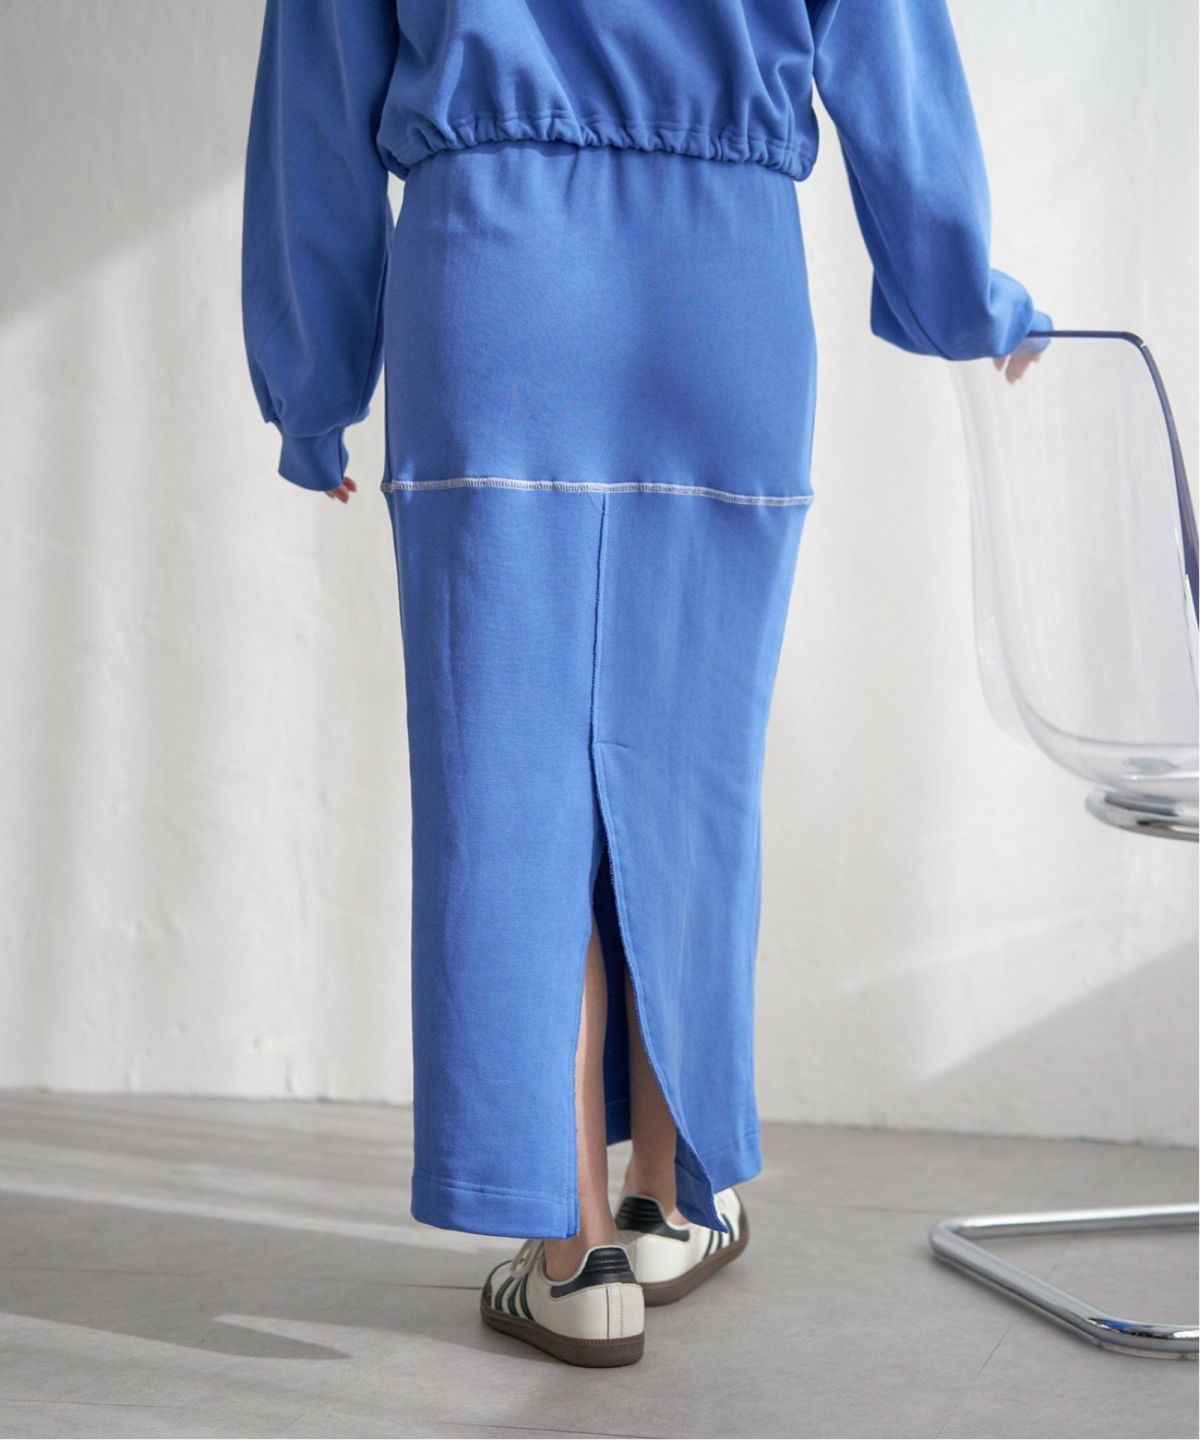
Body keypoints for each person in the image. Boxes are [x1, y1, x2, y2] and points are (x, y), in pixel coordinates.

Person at [241, 0, 1050, 1369]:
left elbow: (316, 98)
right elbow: (890, 53)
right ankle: (671, 1202)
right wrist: (968, 293)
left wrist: (312, 385)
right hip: (723, 299)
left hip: (496, 287)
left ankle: (575, 1262)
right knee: (691, 779)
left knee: (511, 796)